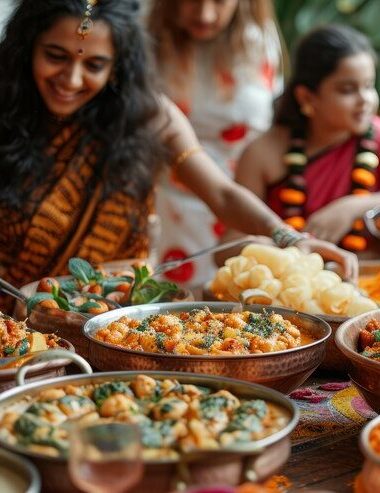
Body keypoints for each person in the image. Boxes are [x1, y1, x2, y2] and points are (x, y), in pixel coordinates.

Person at [0, 1, 357, 313]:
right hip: (10, 319)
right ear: (27, 47)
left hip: (112, 317)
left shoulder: (148, 116)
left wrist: (290, 239)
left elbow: (221, 193)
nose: (72, 79)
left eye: (95, 65)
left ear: (118, 66)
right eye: (55, 56)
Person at [148, 0, 284, 286]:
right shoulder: (146, 38)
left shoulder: (260, 38)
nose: (205, 14)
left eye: (220, 1)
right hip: (167, 205)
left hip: (246, 205)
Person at [230, 24, 380, 263]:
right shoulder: (264, 153)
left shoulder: (377, 138)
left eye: (369, 86)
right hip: (290, 294)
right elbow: (228, 246)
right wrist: (280, 244)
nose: (365, 100)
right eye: (348, 90)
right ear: (306, 97)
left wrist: (355, 206)